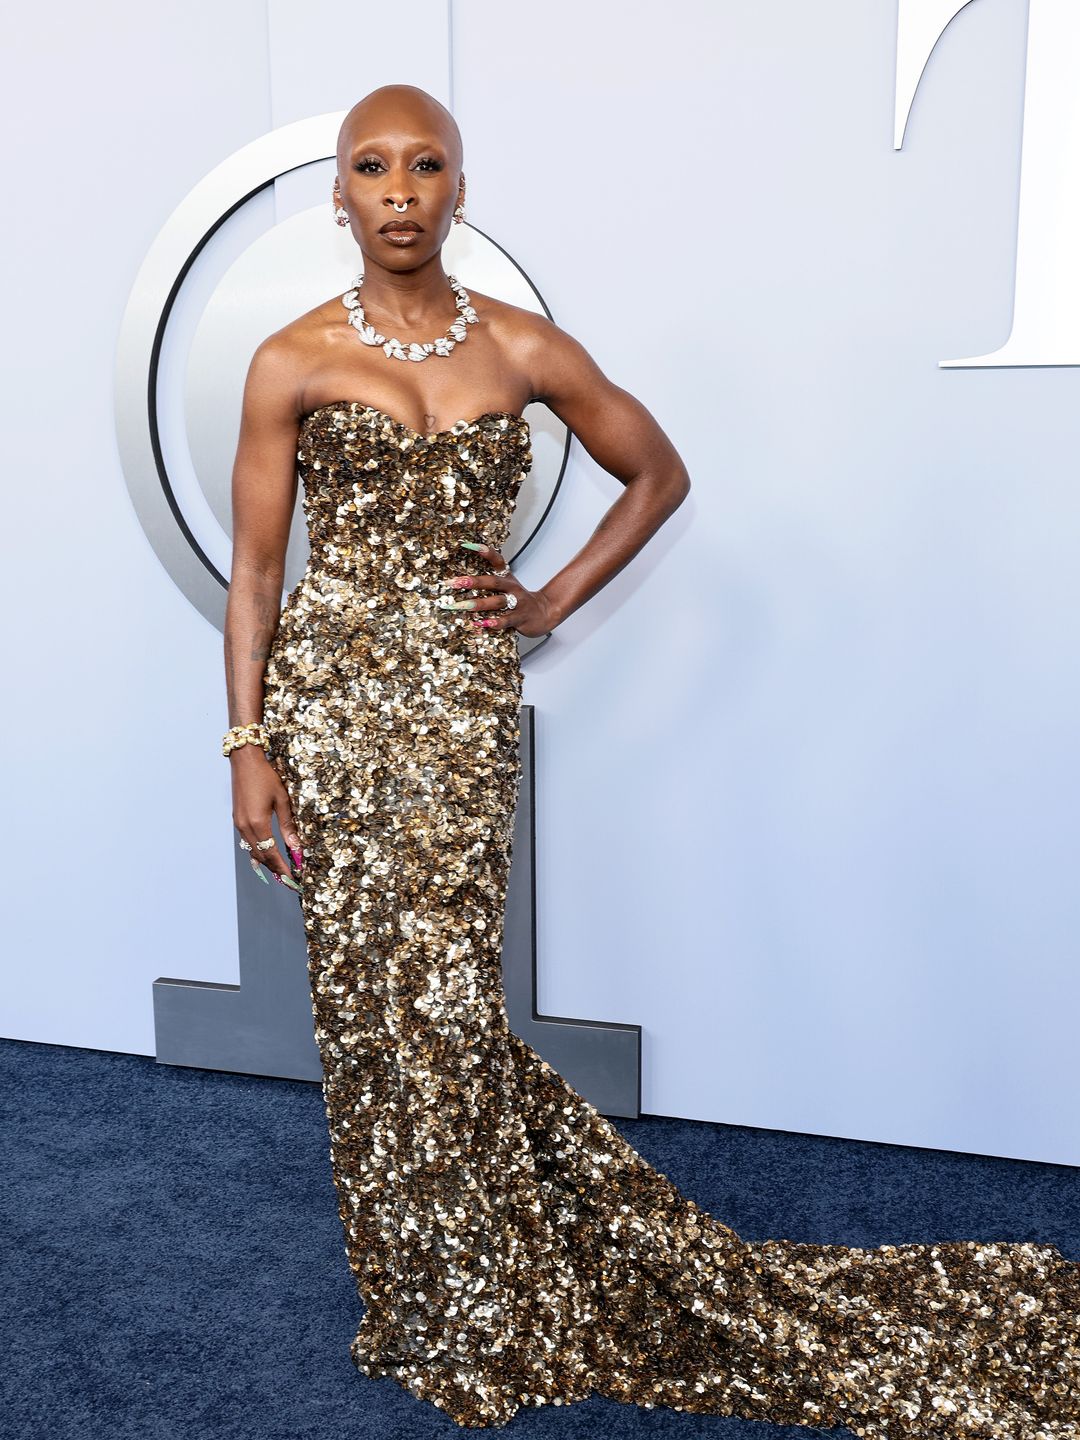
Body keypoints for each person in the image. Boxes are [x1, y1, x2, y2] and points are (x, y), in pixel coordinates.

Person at [222, 84, 1080, 1434]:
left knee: (442, 1008)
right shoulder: (287, 360)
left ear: (459, 188)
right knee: (364, 1017)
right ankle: (426, 1295)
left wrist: (550, 601)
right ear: (339, 194)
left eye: (426, 164)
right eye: (371, 167)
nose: (398, 190)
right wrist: (246, 746)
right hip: (330, 716)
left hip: (455, 718)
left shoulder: (518, 347)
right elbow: (259, 571)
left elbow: (657, 472)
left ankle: (485, 1291)